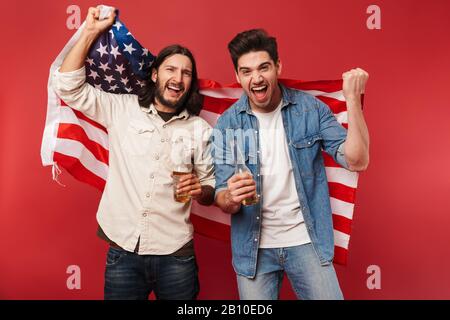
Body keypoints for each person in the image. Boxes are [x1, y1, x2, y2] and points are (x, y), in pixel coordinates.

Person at [53, 6, 215, 300]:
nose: (178, 77)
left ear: (190, 83)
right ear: (154, 74)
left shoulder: (200, 129)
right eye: (170, 69)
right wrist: (90, 30)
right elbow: (67, 87)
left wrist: (200, 189)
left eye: (186, 73)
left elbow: (211, 188)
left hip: (176, 256)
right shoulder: (122, 108)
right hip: (122, 252)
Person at [213, 29, 369, 300]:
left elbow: (357, 160)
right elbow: (222, 197)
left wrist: (352, 99)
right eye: (247, 72)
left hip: (306, 240)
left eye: (264, 68)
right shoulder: (228, 124)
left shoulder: (311, 109)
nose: (257, 78)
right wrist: (231, 196)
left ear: (278, 67)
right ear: (238, 77)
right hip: (254, 250)